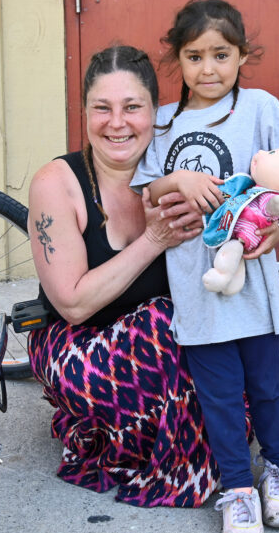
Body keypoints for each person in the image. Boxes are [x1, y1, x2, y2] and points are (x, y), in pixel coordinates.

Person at [132, 0, 279, 533]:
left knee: (267, 388)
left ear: (242, 55)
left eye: (221, 55)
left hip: (254, 281)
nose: (208, 69)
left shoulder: (259, 108)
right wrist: (177, 178)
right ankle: (236, 489)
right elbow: (146, 193)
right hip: (196, 284)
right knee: (221, 396)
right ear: (176, 59)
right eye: (194, 56)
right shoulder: (163, 121)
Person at [26, 44, 217, 508]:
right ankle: (172, 459)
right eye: (102, 108)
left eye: (132, 107)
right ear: (85, 112)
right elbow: (71, 304)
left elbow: (260, 194)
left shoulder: (184, 167)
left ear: (156, 111)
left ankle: (130, 433)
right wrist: (153, 239)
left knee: (230, 360)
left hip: (167, 347)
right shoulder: (57, 184)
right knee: (163, 323)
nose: (117, 123)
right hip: (77, 344)